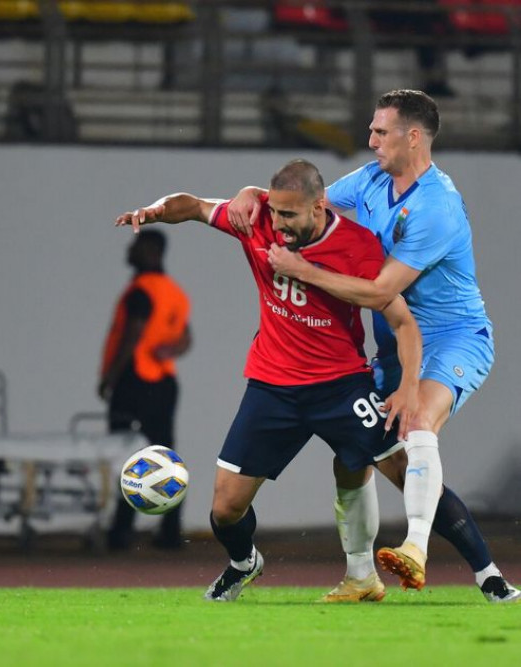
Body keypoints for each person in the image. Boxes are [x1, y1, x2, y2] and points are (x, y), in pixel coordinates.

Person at [226, 89, 519, 603]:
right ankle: (363, 576)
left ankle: (420, 549)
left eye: (380, 132)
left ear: (412, 136)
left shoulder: (437, 207)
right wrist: (255, 193)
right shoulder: (370, 179)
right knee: (352, 456)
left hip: (451, 337)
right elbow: (306, 203)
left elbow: (383, 291)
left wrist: (302, 270)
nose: (370, 140)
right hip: (392, 344)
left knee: (417, 422)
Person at [116, 159, 424, 602]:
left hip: (340, 383)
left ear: (316, 207)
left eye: (287, 213)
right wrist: (154, 209)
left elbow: (399, 317)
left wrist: (408, 385)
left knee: (407, 467)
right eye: (274, 211)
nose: (278, 222)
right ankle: (244, 562)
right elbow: (195, 206)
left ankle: (483, 571)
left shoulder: (355, 245)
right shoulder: (256, 219)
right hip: (273, 387)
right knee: (224, 509)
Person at [99, 230, 192, 550]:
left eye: (136, 245)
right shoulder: (175, 293)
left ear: (151, 250)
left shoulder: (140, 291)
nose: (129, 250)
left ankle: (120, 531)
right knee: (165, 457)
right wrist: (171, 350)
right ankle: (170, 531)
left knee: (127, 454)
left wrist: (110, 377)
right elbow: (185, 336)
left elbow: (132, 334)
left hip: (135, 381)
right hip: (165, 383)